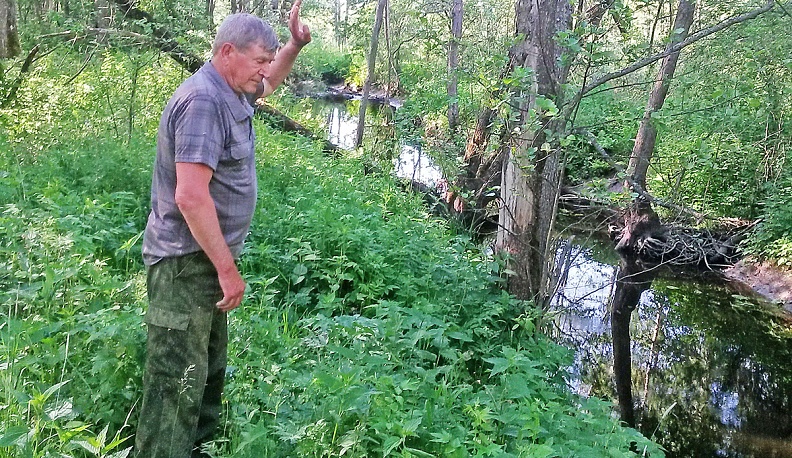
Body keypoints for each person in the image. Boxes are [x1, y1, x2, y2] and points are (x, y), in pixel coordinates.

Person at [134, 4, 310, 457]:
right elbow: (190, 197)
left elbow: (266, 87)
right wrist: (228, 270)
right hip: (184, 266)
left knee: (204, 376)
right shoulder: (203, 102)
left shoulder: (232, 89)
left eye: (268, 62)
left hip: (204, 266)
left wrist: (294, 46)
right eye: (259, 60)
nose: (265, 71)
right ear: (227, 52)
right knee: (175, 386)